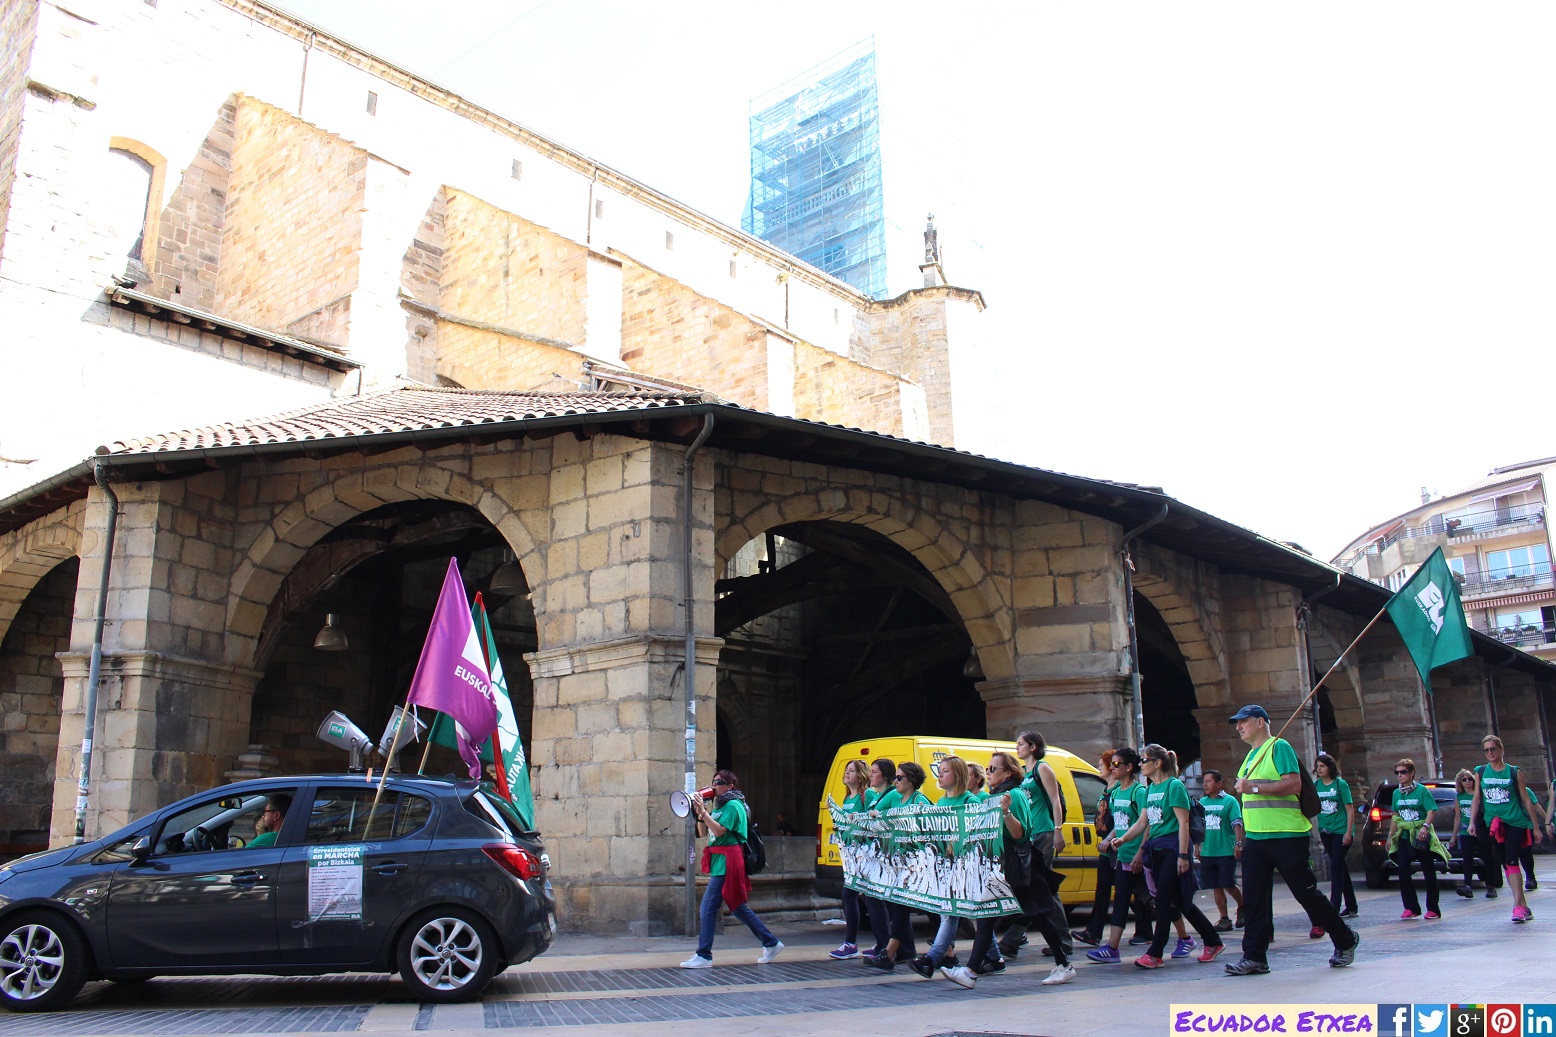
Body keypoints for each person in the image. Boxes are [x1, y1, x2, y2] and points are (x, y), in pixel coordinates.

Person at [1224, 704, 1358, 975]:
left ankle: (1345, 938)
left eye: (1243, 721)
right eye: (1236, 723)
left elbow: (1293, 784)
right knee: (1254, 900)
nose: (1238, 727)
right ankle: (1254, 957)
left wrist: (1252, 787)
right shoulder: (1251, 755)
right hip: (1256, 837)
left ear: (1260, 722)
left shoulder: (1279, 747)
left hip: (1287, 835)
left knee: (1305, 893)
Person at [937, 753, 1076, 989]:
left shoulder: (1015, 795)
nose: (988, 772)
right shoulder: (995, 796)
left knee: (1036, 916)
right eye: (988, 768)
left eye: (993, 768)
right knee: (989, 916)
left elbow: (1020, 833)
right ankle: (971, 971)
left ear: (1008, 773)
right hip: (1002, 865)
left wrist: (1006, 812)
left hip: (1018, 866)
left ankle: (1062, 965)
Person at [1106, 744, 1225, 968]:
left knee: (1162, 901)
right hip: (1157, 849)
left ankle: (1155, 953)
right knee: (1180, 901)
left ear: (1157, 763)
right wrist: (1123, 839)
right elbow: (1143, 822)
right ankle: (1213, 941)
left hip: (1173, 848)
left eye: (1144, 760)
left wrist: (1183, 855)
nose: (1140, 764)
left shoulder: (1174, 786)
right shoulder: (1150, 789)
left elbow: (1183, 823)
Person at [680, 770, 783, 968]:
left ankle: (704, 955)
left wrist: (704, 813)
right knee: (737, 907)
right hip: (721, 859)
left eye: (720, 782)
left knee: (707, 908)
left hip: (729, 860)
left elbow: (719, 831)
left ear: (730, 786)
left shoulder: (734, 805)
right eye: (714, 782)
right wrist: (701, 813)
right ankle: (770, 942)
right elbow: (704, 833)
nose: (715, 785)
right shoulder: (720, 806)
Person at [1002, 730, 1072, 962]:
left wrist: (1058, 830)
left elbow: (1054, 800)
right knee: (1042, 887)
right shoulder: (1024, 773)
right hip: (1031, 832)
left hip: (1044, 830)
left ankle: (1013, 939)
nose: (1017, 747)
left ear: (1033, 746)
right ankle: (1060, 940)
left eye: (1020, 744)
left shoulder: (1042, 768)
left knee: (1036, 884)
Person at [1468, 734, 1548, 923]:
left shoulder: (1513, 772)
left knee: (1512, 860)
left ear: (1501, 749)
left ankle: (1517, 906)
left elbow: (1526, 800)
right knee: (1507, 863)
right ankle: (1523, 905)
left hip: (1515, 822)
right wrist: (1471, 822)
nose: (1490, 753)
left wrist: (1536, 827)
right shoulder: (1480, 771)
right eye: (1486, 750)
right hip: (1494, 823)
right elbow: (1477, 798)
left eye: (1492, 749)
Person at [864, 761, 931, 970]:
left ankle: (946, 951)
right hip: (900, 863)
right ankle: (891, 952)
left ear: (911, 780)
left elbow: (930, 828)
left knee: (932, 911)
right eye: (896, 777)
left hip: (916, 864)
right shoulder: (899, 801)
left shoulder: (919, 801)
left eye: (899, 778)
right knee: (900, 908)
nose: (896, 781)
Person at [1086, 747, 1151, 964]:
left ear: (1129, 767)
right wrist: (1109, 839)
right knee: (1121, 899)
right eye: (1111, 764)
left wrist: (1141, 852)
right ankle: (1112, 947)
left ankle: (1186, 937)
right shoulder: (1115, 793)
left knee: (1162, 900)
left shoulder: (1138, 792)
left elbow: (1145, 823)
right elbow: (1121, 823)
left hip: (1139, 856)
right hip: (1123, 856)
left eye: (1116, 764)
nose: (1112, 768)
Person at [829, 759, 877, 959]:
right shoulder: (847, 797)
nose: (847, 773)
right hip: (851, 856)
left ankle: (861, 943)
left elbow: (875, 820)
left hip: (865, 855)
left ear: (861, 776)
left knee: (866, 898)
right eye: (846, 770)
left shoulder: (867, 795)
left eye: (852, 770)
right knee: (855, 896)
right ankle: (857, 943)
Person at [1388, 758, 1446, 919]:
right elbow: (1395, 815)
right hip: (1404, 835)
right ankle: (1410, 907)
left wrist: (1425, 827)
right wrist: (1390, 837)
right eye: (1397, 772)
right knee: (1403, 871)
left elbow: (1431, 810)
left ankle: (1433, 908)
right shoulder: (1396, 793)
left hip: (1420, 835)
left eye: (1403, 772)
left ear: (1412, 773)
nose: (1400, 775)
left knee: (1428, 870)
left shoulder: (1422, 791)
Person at [1312, 753, 1358, 923]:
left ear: (1330, 767)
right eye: (1317, 766)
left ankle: (1334, 905)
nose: (1319, 769)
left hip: (1341, 830)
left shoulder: (1340, 784)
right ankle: (1352, 905)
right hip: (1326, 830)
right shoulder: (1316, 785)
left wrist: (1348, 832)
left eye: (1322, 766)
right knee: (1340, 867)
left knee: (1336, 866)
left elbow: (1350, 809)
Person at [1196, 770, 1245, 932]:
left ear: (1219, 784)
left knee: (1228, 883)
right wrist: (1197, 847)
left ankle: (1242, 906)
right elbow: (1198, 826)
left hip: (1225, 850)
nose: (1205, 784)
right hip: (1208, 851)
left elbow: (1237, 823)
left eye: (1209, 781)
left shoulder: (1229, 801)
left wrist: (1238, 843)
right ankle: (1224, 918)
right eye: (1204, 781)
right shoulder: (1202, 802)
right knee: (1216, 885)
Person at [1450, 769, 1494, 898]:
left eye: (1470, 779)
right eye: (1464, 780)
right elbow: (1458, 818)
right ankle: (1467, 886)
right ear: (1460, 783)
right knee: (1467, 859)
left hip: (1481, 829)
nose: (1467, 782)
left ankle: (1490, 886)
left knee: (1487, 857)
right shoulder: (1459, 797)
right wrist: (1454, 836)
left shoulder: (1479, 795)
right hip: (1465, 831)